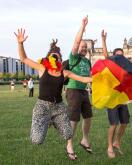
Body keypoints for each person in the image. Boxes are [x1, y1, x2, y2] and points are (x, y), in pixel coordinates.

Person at [14, 28, 92, 160]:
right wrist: (21, 44)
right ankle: (45, 121)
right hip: (42, 106)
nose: (56, 58)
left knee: (68, 134)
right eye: (53, 56)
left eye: (58, 56)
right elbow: (24, 58)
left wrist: (100, 77)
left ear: (61, 59)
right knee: (36, 140)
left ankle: (54, 120)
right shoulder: (42, 68)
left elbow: (84, 79)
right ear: (49, 58)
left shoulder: (64, 72)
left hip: (58, 107)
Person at [101, 30, 132, 158]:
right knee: (113, 124)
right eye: (118, 55)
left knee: (124, 122)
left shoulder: (124, 66)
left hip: (122, 98)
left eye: (122, 56)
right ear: (114, 56)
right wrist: (104, 41)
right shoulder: (110, 64)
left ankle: (117, 142)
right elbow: (105, 55)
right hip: (112, 99)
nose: (120, 58)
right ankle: (110, 146)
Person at [66, 16, 93, 157]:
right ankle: (69, 144)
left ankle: (84, 139)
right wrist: (82, 26)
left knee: (88, 116)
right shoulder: (74, 57)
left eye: (85, 47)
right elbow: (76, 42)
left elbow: (91, 76)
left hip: (83, 91)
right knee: (74, 119)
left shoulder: (87, 62)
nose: (84, 48)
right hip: (73, 90)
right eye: (82, 46)